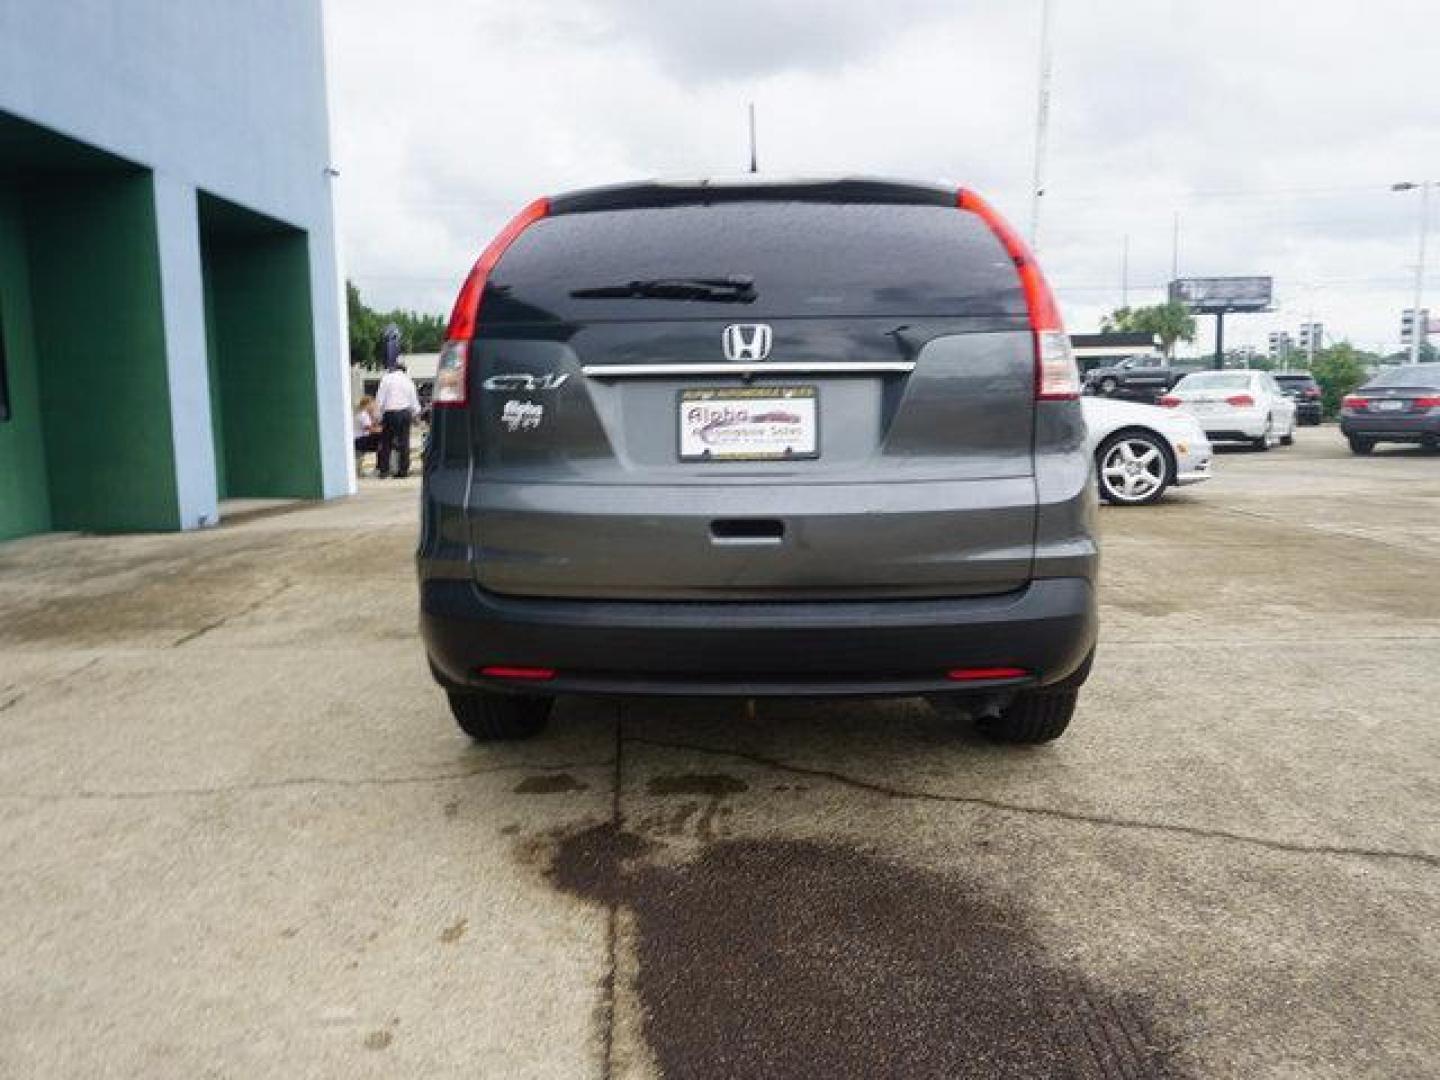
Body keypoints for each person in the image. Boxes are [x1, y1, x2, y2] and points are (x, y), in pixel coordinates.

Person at [374, 362, 421, 478]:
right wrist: (416, 414)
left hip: (390, 413)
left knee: (386, 443)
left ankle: (384, 471)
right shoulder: (408, 380)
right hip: (405, 413)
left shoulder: (386, 379)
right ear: (404, 370)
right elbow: (413, 400)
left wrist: (378, 416)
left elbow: (380, 399)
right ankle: (403, 470)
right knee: (404, 442)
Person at [353, 395, 381, 474]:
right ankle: (380, 466)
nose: (374, 406)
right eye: (372, 404)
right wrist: (382, 430)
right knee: (382, 443)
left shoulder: (364, 414)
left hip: (361, 439)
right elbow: (369, 428)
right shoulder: (363, 415)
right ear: (367, 405)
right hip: (361, 440)